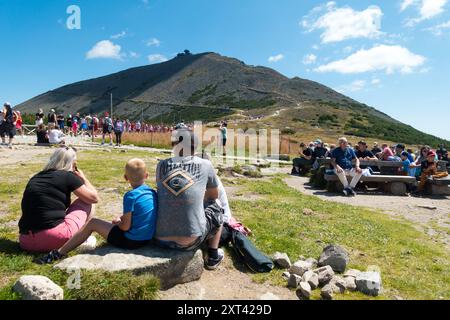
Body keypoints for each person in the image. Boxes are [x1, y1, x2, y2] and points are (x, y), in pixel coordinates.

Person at [37, 159, 158, 264]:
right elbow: (141, 212)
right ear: (146, 175)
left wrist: (118, 222)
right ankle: (60, 252)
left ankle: (59, 253)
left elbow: (125, 227)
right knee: (107, 223)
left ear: (126, 178)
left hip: (131, 241)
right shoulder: (152, 193)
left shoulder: (131, 196)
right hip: (146, 239)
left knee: (93, 223)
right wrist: (122, 218)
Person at [154, 129, 225, 270]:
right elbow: (213, 196)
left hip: (159, 238)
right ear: (195, 146)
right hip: (190, 241)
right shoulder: (205, 164)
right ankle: (213, 255)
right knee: (217, 206)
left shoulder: (161, 165)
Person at [18, 147, 99, 253]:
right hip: (54, 238)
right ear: (74, 163)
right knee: (87, 202)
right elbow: (94, 198)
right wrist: (83, 178)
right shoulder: (68, 176)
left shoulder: (36, 177)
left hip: (25, 240)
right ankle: (82, 238)